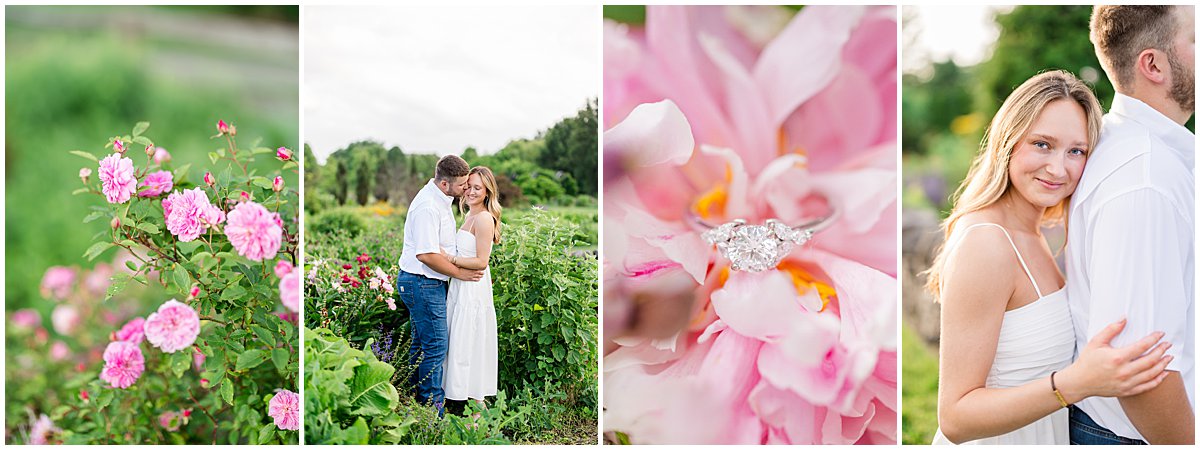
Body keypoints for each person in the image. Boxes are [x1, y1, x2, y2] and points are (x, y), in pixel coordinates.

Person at [923, 70, 1172, 445]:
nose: (1058, 168)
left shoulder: (1034, 232)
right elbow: (955, 418)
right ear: (1008, 140)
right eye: (1042, 144)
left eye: (1076, 151)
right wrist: (1077, 383)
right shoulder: (987, 242)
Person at [1064, 5, 1196, 444]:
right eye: (1195, 39)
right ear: (1153, 65)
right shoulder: (1146, 178)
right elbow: (1139, 369)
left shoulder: (1140, 151)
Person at [396, 155, 484, 416]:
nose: (466, 189)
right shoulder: (428, 207)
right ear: (445, 184)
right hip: (422, 282)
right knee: (435, 347)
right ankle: (433, 413)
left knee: (422, 344)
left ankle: (414, 401)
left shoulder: (440, 200)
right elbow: (426, 255)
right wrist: (459, 273)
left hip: (423, 282)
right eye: (463, 185)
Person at [443, 166, 502, 405]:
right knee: (459, 340)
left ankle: (477, 407)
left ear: (487, 192)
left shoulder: (484, 218)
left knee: (471, 340)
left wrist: (450, 259)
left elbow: (482, 261)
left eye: (478, 187)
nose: (471, 191)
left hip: (473, 287)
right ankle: (454, 398)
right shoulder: (469, 216)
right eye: (468, 186)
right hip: (460, 284)